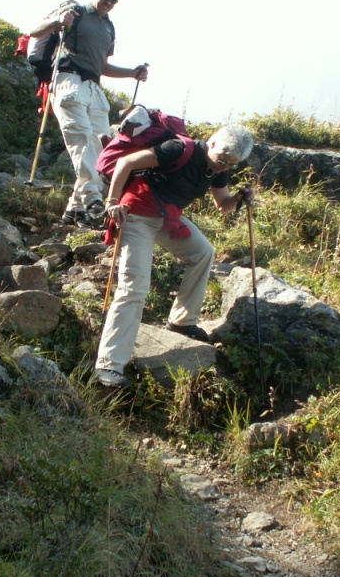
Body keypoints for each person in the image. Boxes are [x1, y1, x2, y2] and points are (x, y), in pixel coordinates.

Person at [92, 124, 256, 389]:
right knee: (134, 287)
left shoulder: (218, 168)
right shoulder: (179, 149)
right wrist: (111, 203)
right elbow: (126, 162)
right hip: (136, 214)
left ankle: (182, 321)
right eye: (223, 160)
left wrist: (239, 197)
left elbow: (223, 206)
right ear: (212, 143)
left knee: (203, 253)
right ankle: (109, 364)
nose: (224, 167)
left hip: (167, 218)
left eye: (231, 164)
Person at [27, 0, 149, 227]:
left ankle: (76, 210)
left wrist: (132, 73)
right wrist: (57, 21)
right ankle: (93, 201)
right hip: (69, 80)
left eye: (114, 0)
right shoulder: (75, 11)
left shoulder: (109, 28)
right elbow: (34, 31)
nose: (109, 3)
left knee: (101, 148)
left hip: (94, 87)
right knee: (81, 140)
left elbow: (102, 66)